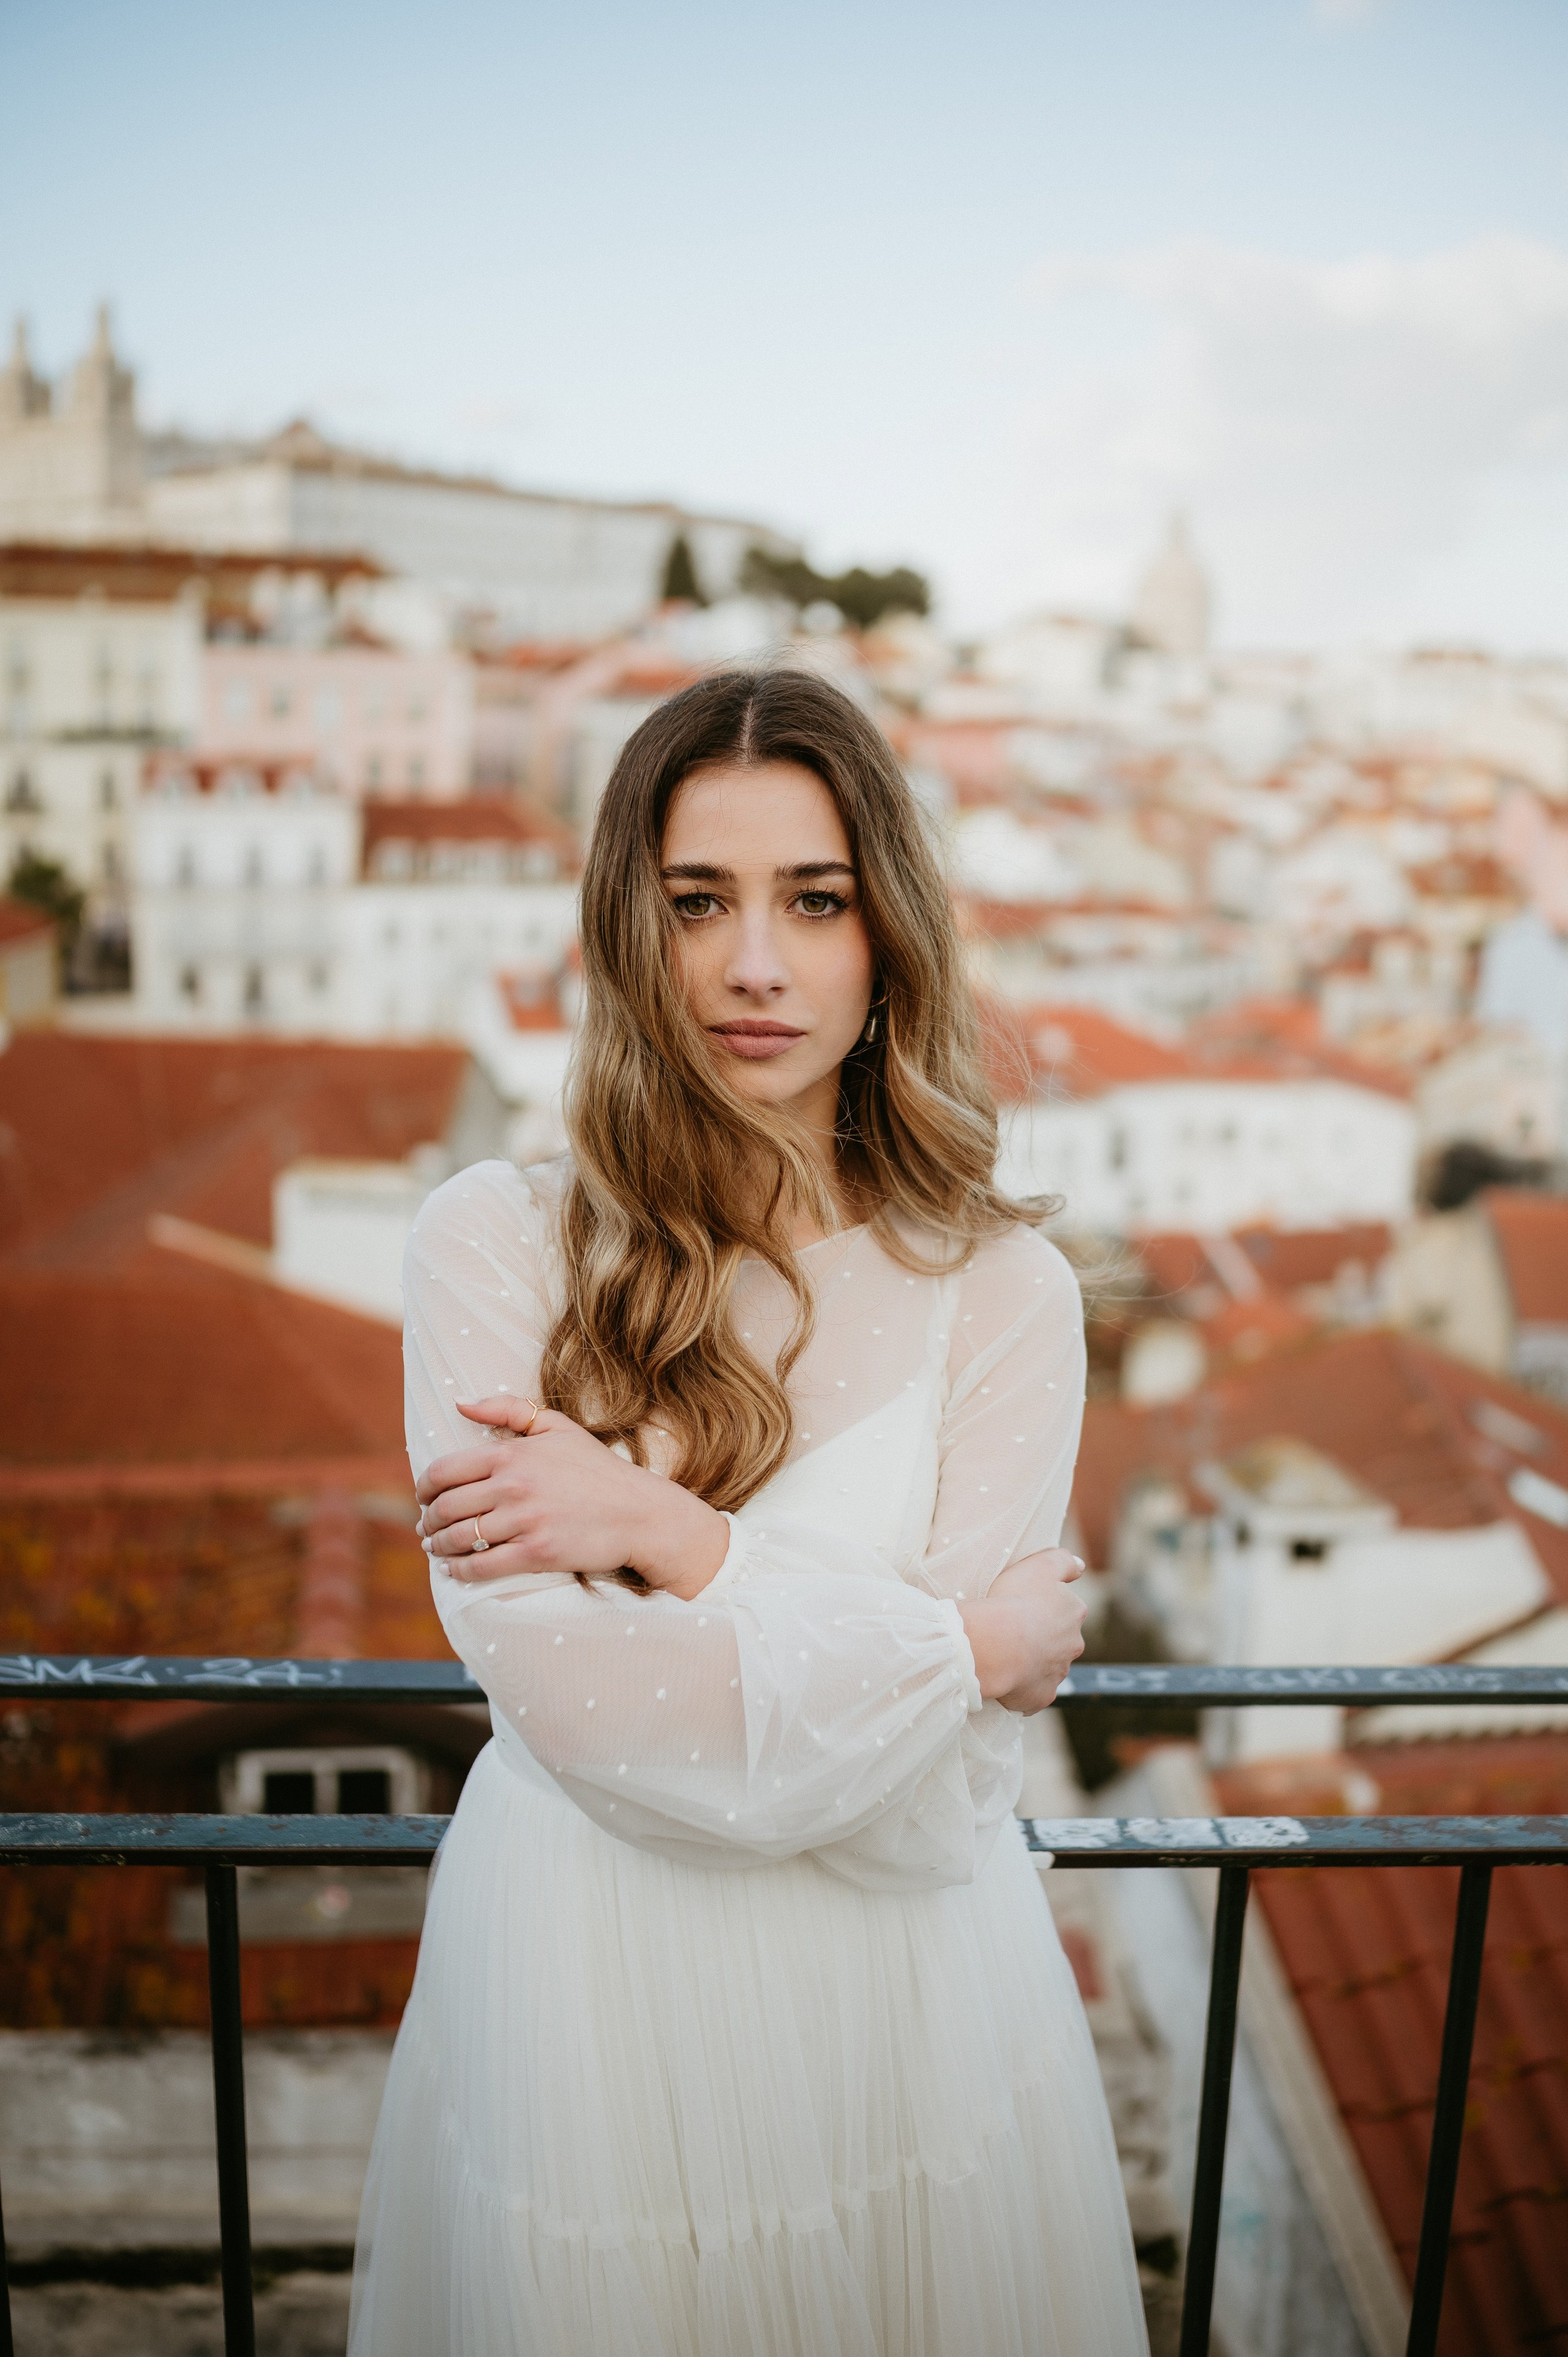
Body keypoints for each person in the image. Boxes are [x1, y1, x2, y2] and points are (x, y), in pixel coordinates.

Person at [347, 667, 1150, 2357]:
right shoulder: (496, 1249)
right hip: (584, 2010)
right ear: (630, 930)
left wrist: (671, 1539)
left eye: (818, 900)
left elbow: (928, 1800)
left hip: (909, 2024)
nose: (756, 966)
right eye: (697, 901)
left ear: (890, 937)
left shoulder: (1003, 1292)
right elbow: (579, 1712)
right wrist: (956, 1646)